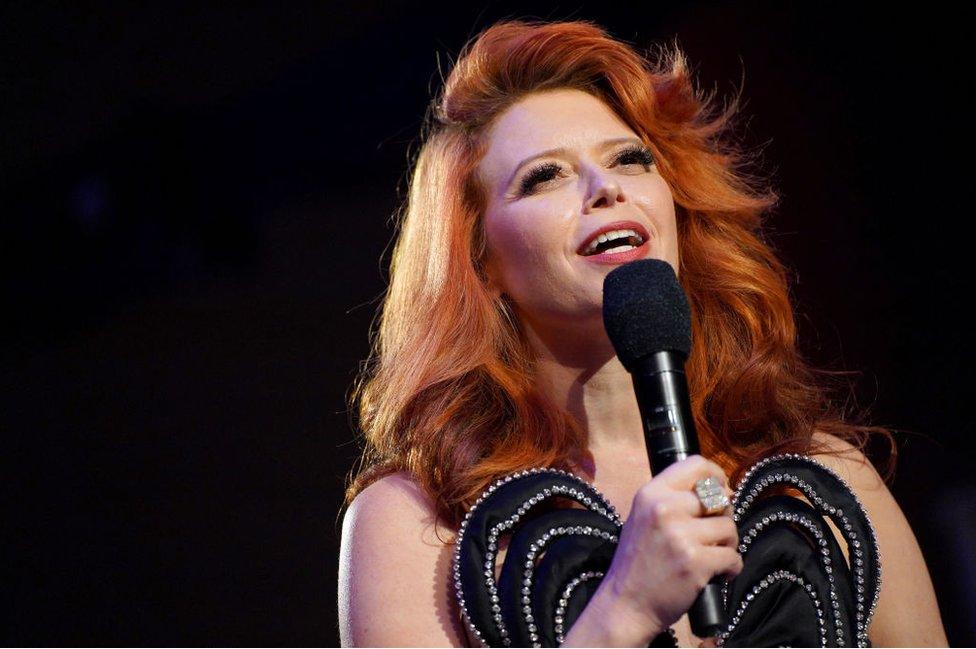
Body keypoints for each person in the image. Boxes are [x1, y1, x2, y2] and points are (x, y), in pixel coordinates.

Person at [338, 19, 947, 647]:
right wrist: (624, 608)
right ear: (480, 260)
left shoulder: (826, 481)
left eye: (630, 159)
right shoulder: (415, 521)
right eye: (545, 176)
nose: (607, 189)